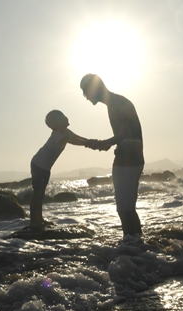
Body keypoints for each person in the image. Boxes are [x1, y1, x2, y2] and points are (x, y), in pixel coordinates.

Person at [80, 74, 145, 238]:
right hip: (136, 159)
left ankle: (131, 249)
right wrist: (108, 143)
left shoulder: (115, 104)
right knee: (129, 208)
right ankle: (139, 247)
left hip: (126, 161)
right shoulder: (117, 101)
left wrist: (102, 143)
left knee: (124, 210)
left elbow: (124, 134)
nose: (85, 97)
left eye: (85, 92)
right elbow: (126, 134)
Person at [30, 110, 106, 227]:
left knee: (41, 193)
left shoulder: (65, 132)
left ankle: (39, 219)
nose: (66, 118)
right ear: (57, 123)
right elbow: (73, 140)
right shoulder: (58, 135)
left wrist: (93, 142)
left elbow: (77, 137)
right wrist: (91, 144)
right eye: (62, 117)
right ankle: (34, 221)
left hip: (45, 167)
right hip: (38, 164)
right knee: (38, 193)